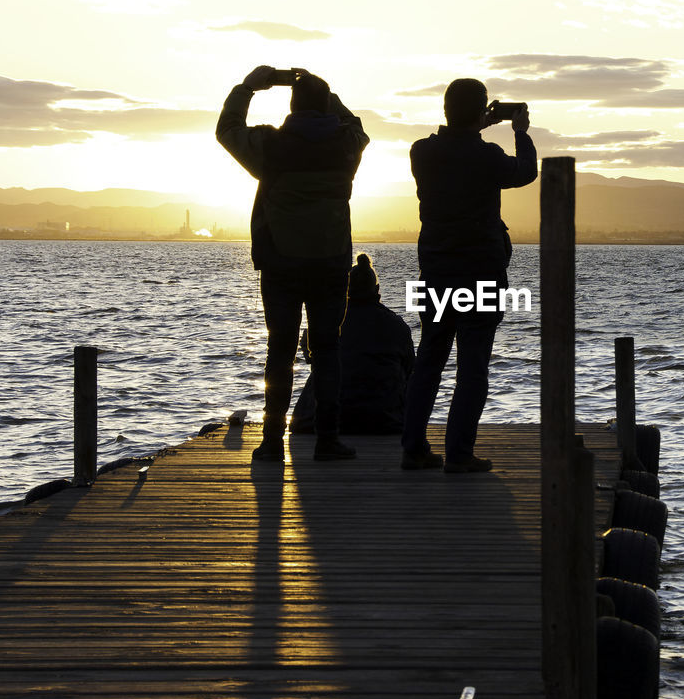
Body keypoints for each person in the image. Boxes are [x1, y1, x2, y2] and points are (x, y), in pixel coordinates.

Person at [215, 65, 367, 462]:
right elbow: (356, 124)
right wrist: (323, 89)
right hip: (331, 263)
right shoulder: (346, 146)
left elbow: (227, 129)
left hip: (280, 263)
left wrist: (248, 87)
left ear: (293, 107)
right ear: (327, 105)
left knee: (280, 351)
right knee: (327, 349)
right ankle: (327, 439)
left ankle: (271, 442)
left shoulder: (270, 145)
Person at [400, 78, 538, 473]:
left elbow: (456, 144)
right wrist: (520, 132)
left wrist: (477, 123)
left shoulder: (422, 152)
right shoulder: (489, 157)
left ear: (445, 110)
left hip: (437, 271)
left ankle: (413, 449)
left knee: (429, 359)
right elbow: (526, 171)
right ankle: (459, 453)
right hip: (482, 272)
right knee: (472, 365)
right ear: (479, 111)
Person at [290, 253, 416, 435]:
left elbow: (311, 358)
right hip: (385, 420)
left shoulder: (326, 321)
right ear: (377, 289)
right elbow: (409, 368)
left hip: (315, 422)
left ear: (345, 290)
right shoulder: (397, 326)